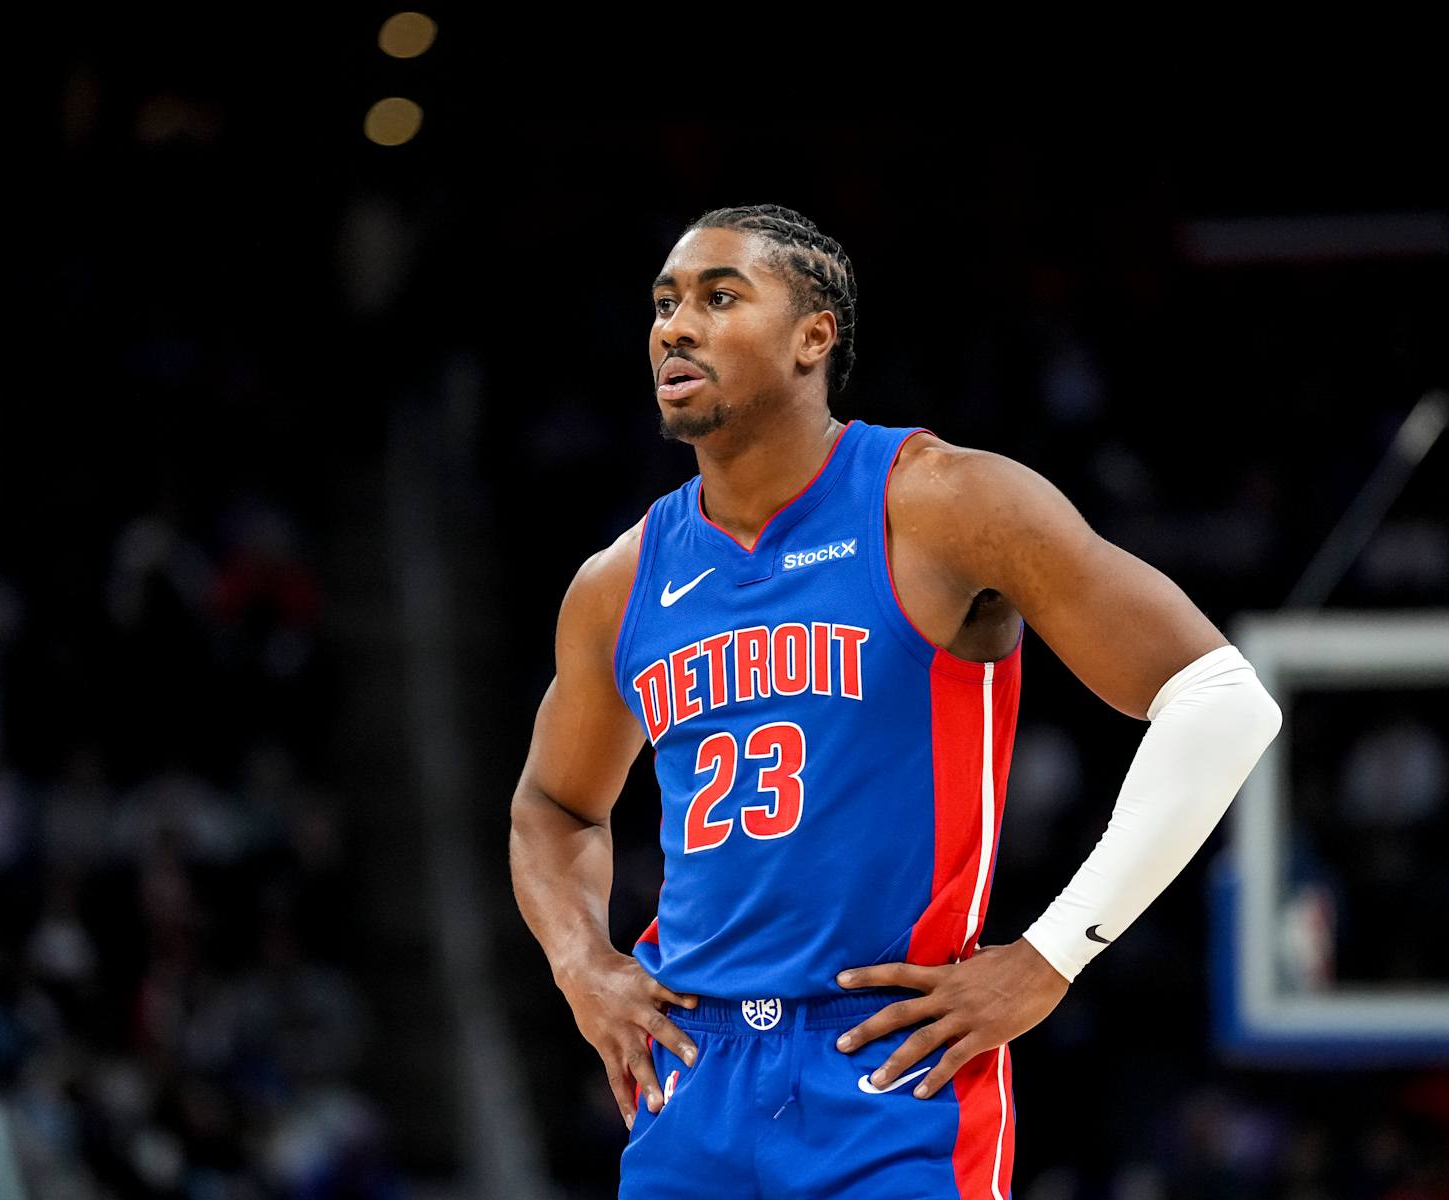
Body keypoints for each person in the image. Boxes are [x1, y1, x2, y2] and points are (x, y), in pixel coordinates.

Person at [508, 203, 1284, 1197]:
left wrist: (1051, 955)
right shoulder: (619, 580)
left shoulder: (942, 503)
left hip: (892, 1068)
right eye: (664, 304)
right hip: (691, 1073)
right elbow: (552, 805)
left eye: (719, 297)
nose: (676, 326)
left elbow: (1221, 699)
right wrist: (583, 963)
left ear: (813, 336)